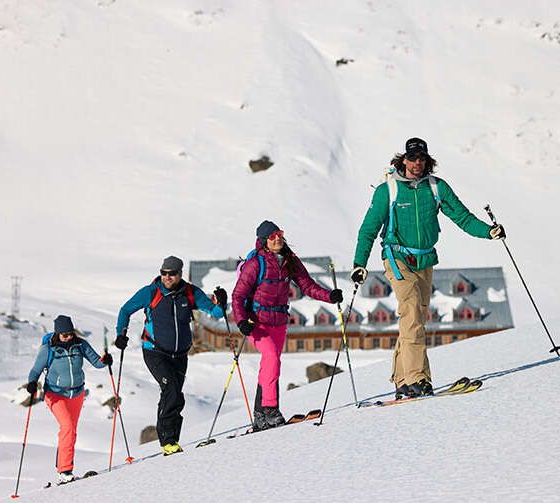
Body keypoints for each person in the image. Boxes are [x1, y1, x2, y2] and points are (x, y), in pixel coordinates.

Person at [351, 137, 505, 399]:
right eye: (412, 158)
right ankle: (417, 380)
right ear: (403, 160)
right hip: (396, 257)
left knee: (415, 319)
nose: (417, 163)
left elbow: (462, 217)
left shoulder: (436, 188)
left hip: (425, 259)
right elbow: (368, 229)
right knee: (411, 314)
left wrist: (488, 232)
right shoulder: (387, 190)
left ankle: (401, 379)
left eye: (421, 158)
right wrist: (359, 264)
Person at [232, 220, 343, 431]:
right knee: (272, 359)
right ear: (264, 241)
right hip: (257, 323)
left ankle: (261, 416)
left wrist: (330, 296)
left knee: (270, 365)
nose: (278, 239)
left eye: (280, 234)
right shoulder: (256, 263)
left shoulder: (289, 260)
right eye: (272, 236)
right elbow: (238, 295)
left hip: (279, 322)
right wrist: (241, 321)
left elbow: (307, 285)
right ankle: (270, 411)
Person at [114, 255, 227, 455]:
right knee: (171, 390)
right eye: (164, 273)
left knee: (175, 395)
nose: (167, 277)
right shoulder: (151, 292)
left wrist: (222, 303)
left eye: (171, 274)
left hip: (180, 354)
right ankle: (167, 442)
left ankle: (172, 440)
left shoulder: (190, 293)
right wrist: (120, 334)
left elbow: (215, 313)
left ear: (179, 274)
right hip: (155, 351)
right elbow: (125, 310)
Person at [26, 315, 110, 484]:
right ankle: (65, 471)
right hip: (55, 394)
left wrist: (106, 360)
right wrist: (32, 383)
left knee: (71, 431)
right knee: (68, 427)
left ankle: (62, 466)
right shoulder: (48, 349)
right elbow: (35, 371)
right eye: (64, 335)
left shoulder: (81, 345)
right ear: (57, 334)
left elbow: (97, 363)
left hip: (77, 394)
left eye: (70, 333)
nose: (68, 337)